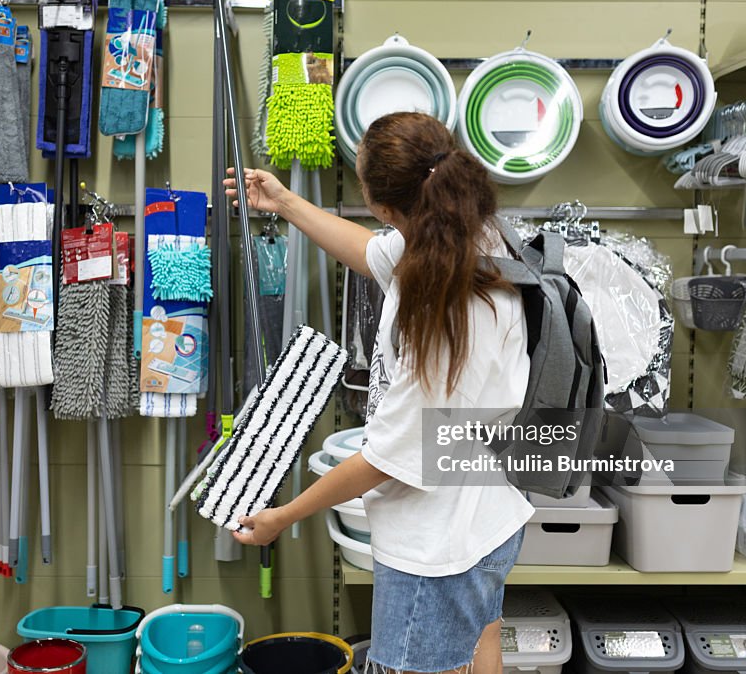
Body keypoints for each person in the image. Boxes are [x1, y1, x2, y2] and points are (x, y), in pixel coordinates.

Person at [224, 112, 534, 674]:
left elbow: (388, 460)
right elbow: (370, 253)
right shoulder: (463, 231)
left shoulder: (449, 311)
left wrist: (283, 516)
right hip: (484, 516)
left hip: (437, 548)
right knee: (479, 648)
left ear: (385, 205)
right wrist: (286, 203)